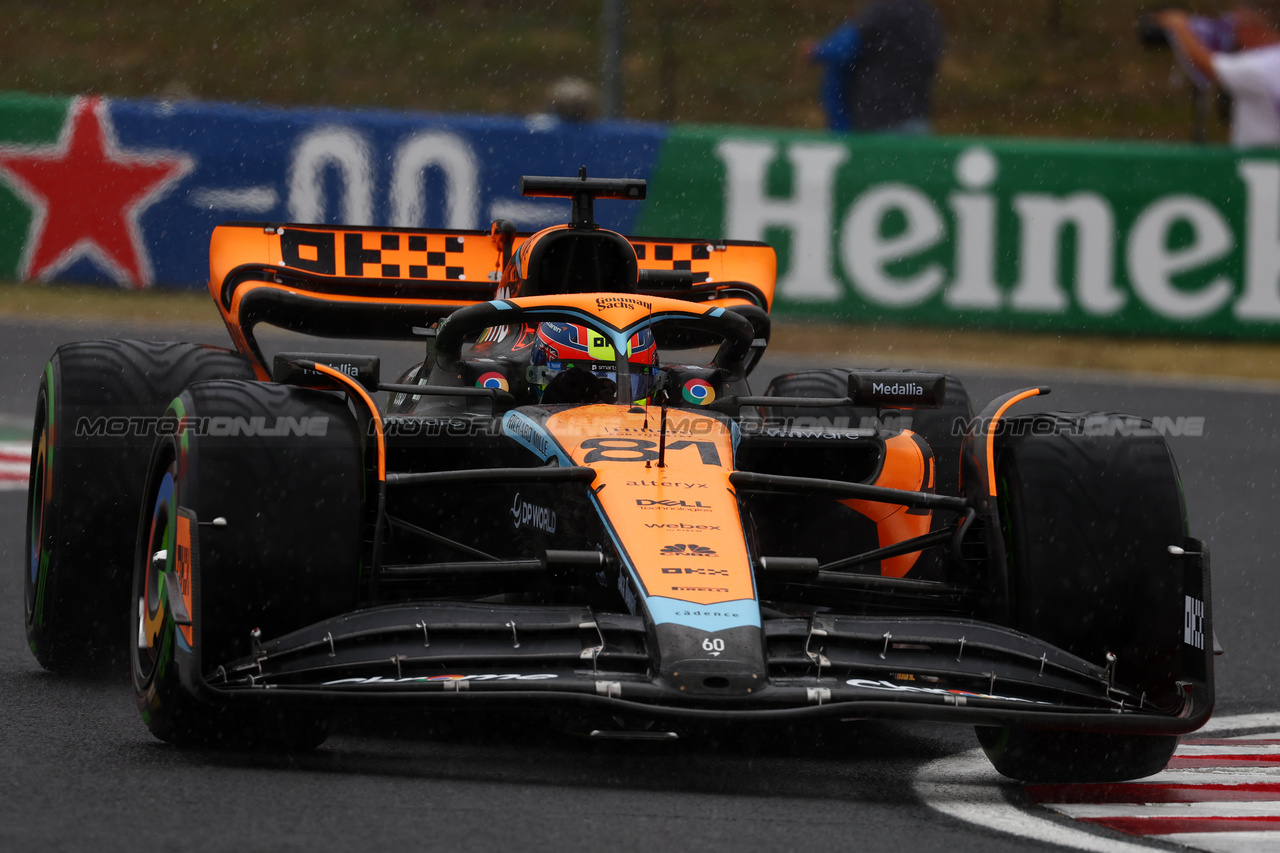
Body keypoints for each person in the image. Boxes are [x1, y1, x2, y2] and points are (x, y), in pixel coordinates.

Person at [801, 0, 943, 133]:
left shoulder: (883, 11)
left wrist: (816, 50)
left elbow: (844, 47)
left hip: (878, 122)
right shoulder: (928, 17)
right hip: (918, 120)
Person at [1158, 7, 1280, 147]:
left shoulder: (1263, 65)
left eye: (1238, 28)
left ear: (1255, 28)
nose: (1235, 36)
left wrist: (1179, 27)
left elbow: (1206, 64)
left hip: (1263, 163)